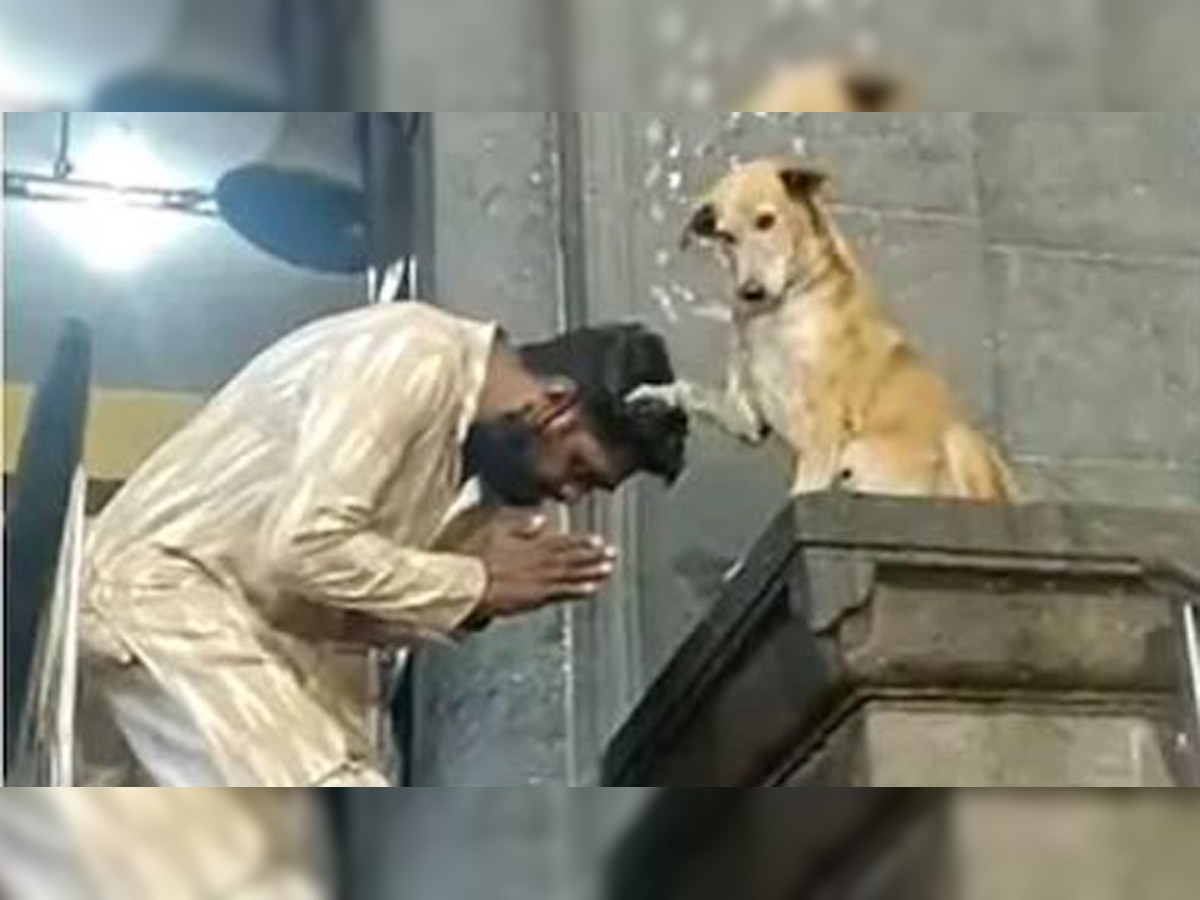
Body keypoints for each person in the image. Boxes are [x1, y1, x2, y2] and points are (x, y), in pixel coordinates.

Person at [75, 301, 688, 788]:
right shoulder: (412, 354)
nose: (569, 494)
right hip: (162, 598)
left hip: (218, 621)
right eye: (580, 469)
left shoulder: (458, 446)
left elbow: (317, 599)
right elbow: (300, 548)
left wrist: (471, 593)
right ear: (556, 408)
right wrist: (473, 581)